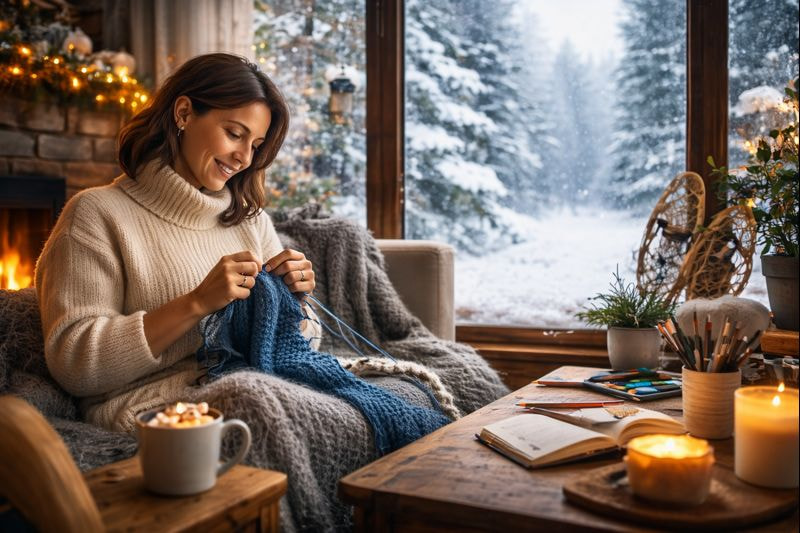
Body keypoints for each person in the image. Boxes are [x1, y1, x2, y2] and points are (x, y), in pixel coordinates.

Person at [34, 53, 323, 431]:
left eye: (255, 144)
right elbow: (74, 364)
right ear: (184, 113)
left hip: (256, 384)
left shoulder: (249, 220)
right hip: (156, 408)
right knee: (268, 409)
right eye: (234, 134)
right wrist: (196, 303)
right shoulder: (95, 214)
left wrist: (296, 303)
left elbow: (306, 343)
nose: (244, 158)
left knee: (379, 402)